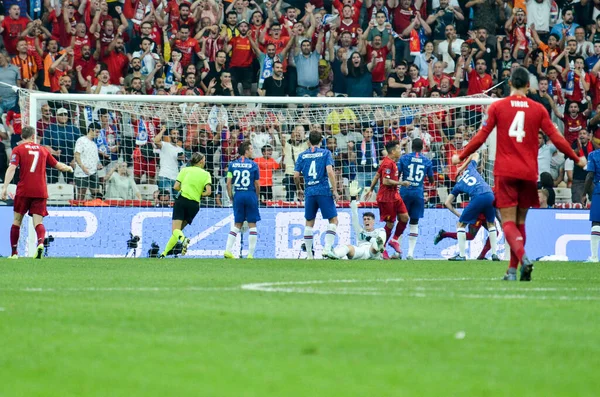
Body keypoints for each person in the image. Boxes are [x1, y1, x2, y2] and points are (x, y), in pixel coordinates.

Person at [453, 67, 586, 281]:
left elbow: (481, 137)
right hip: (528, 172)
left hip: (505, 171)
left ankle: (523, 258)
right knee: (521, 222)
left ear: (510, 84)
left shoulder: (498, 106)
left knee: (507, 222)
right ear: (528, 86)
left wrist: (461, 155)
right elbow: (557, 137)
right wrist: (576, 157)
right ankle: (512, 271)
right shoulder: (538, 109)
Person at [0, 126, 73, 259]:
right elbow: (59, 166)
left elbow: (11, 168)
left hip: (24, 190)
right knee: (38, 222)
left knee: (17, 221)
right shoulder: (43, 150)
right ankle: (40, 243)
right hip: (40, 190)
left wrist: (4, 187)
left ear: (22, 137)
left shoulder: (18, 149)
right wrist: (69, 168)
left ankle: (14, 253)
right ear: (33, 136)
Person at [294, 130, 340, 259]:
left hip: (309, 191)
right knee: (333, 220)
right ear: (321, 141)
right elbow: (330, 172)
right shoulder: (326, 153)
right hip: (323, 190)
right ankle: (326, 249)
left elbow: (296, 175)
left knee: (309, 222)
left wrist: (299, 189)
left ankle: (309, 255)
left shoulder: (302, 155)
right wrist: (335, 190)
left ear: (309, 141)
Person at [444, 152, 498, 261]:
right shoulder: (471, 169)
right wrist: (462, 166)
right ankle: (494, 254)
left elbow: (447, 203)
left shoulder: (458, 185)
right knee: (491, 224)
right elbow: (476, 154)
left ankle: (462, 255)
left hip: (478, 198)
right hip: (490, 195)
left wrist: (458, 214)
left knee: (460, 225)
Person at [160, 153, 212, 258]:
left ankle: (184, 240)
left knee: (176, 230)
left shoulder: (185, 170)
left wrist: (185, 189)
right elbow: (208, 192)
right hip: (194, 205)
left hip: (182, 201)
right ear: (201, 161)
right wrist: (198, 193)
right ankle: (164, 254)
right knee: (178, 231)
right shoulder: (206, 174)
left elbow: (175, 186)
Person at [364, 140, 409, 259]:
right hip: (386, 197)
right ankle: (381, 247)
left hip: (395, 195)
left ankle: (394, 240)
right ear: (393, 151)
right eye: (399, 149)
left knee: (405, 217)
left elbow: (377, 175)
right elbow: (385, 181)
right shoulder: (387, 163)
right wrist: (401, 182)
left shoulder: (390, 162)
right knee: (390, 223)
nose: (400, 151)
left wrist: (370, 189)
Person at [397, 138, 434, 260]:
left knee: (401, 221)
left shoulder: (404, 158)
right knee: (414, 222)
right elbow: (431, 179)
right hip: (418, 193)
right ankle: (410, 253)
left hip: (405, 192)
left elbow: (397, 174)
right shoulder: (427, 161)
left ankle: (398, 252)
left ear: (411, 146)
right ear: (422, 147)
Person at [224, 141, 261, 259]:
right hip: (250, 194)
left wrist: (231, 196)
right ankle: (250, 254)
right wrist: (257, 197)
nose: (252, 151)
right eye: (251, 149)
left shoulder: (232, 165)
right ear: (246, 151)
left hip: (238, 194)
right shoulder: (254, 165)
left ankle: (228, 251)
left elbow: (228, 183)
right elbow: (257, 184)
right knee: (252, 224)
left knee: (237, 224)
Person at [331, 181, 386, 260]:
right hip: (362, 251)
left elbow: (381, 236)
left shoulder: (379, 230)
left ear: (373, 221)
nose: (366, 221)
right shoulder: (360, 230)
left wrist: (373, 240)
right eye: (364, 219)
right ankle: (334, 255)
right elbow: (354, 215)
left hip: (374, 252)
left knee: (376, 243)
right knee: (347, 248)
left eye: (368, 219)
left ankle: (379, 245)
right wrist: (353, 198)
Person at [74, 122, 103, 201]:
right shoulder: (81, 140)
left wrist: (99, 165)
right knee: (81, 196)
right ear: (91, 130)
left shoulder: (94, 144)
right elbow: (77, 155)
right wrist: (83, 167)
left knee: (97, 197)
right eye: (97, 132)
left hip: (93, 172)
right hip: (82, 172)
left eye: (99, 132)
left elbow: (97, 159)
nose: (98, 134)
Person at [584, 148, 600, 262]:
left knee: (596, 222)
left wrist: (584, 193)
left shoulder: (594, 155)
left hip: (599, 190)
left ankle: (594, 256)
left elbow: (590, 175)